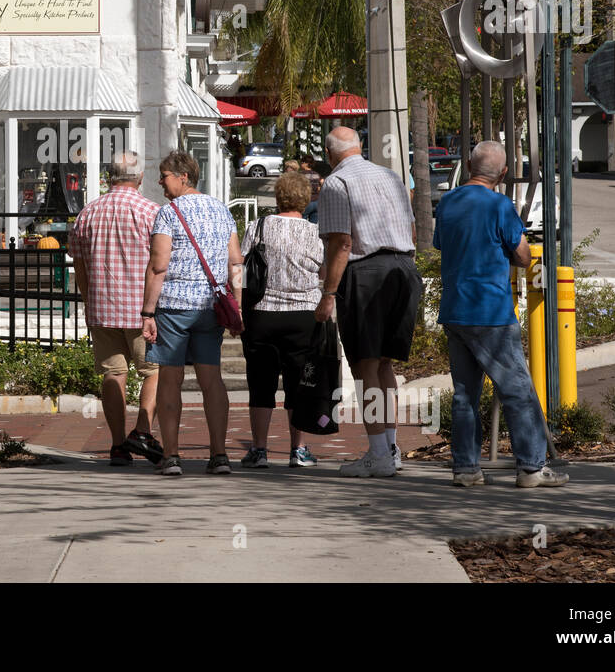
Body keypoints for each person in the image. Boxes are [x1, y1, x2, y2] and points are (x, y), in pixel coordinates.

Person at [434, 141, 568, 487]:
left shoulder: (447, 202)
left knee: (465, 394)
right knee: (517, 390)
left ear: (467, 164)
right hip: (490, 311)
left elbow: (440, 244)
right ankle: (531, 468)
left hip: (454, 309)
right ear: (504, 173)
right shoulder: (500, 205)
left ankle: (466, 469)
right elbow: (522, 256)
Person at [315, 126, 422, 478]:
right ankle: (388, 448)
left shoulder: (335, 182)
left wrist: (328, 293)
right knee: (384, 365)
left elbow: (342, 242)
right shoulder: (390, 176)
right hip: (404, 268)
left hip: (367, 274)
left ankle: (379, 453)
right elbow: (412, 231)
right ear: (359, 147)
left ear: (330, 154)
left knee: (364, 366)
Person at [141, 150, 241, 476]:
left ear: (183, 176)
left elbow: (158, 266)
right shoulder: (221, 210)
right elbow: (235, 262)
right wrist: (236, 304)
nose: (160, 181)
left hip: (173, 307)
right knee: (211, 378)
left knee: (171, 378)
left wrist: (147, 311)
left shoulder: (167, 214)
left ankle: (171, 455)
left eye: (164, 175)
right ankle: (220, 454)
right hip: (211, 307)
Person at [69, 151, 164, 466]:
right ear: (138, 177)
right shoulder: (151, 211)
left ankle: (118, 444)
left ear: (109, 176)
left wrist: (88, 299)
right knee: (154, 371)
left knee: (113, 374)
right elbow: (162, 262)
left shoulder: (88, 213)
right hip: (141, 309)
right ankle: (143, 430)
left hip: (102, 307)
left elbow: (80, 266)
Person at [239, 171, 325, 468]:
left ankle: (259, 450)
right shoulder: (316, 233)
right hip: (304, 316)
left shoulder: (258, 227)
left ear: (278, 197)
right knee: (299, 384)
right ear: (306, 198)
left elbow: (242, 269)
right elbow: (324, 273)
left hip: (262, 313)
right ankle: (298, 450)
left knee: (260, 385)